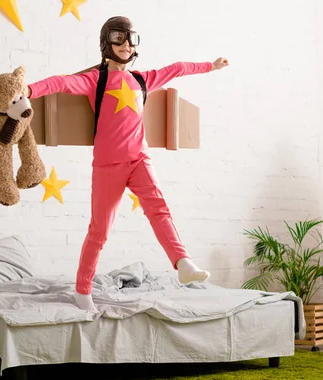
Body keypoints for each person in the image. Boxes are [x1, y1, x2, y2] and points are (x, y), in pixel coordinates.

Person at [27, 16, 229, 311]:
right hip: (109, 165)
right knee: (99, 230)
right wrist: (27, 91)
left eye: (131, 39)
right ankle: (82, 290)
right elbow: (61, 82)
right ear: (106, 42)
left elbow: (177, 69)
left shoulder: (141, 79)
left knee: (159, 209)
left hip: (139, 159)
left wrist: (210, 66)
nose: (125, 45)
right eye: (119, 37)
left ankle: (182, 261)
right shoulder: (95, 80)